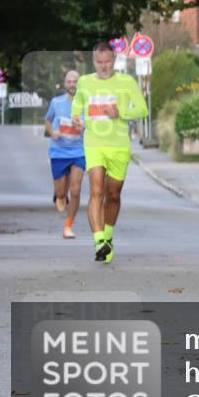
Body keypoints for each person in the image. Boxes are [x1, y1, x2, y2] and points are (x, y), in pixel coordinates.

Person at [71, 42, 149, 263]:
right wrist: (76, 117)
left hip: (119, 145)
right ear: (93, 61)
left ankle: (107, 237)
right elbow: (77, 104)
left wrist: (120, 112)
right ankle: (99, 242)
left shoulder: (127, 82)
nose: (104, 66)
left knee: (113, 194)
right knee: (96, 190)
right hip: (94, 143)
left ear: (114, 60)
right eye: (99, 62)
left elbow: (143, 109)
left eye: (107, 62)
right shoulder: (85, 82)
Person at [44, 70, 85, 239]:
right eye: (69, 81)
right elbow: (48, 122)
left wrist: (85, 127)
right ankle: (60, 195)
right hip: (59, 151)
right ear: (65, 84)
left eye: (75, 81)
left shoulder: (86, 104)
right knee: (61, 193)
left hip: (79, 151)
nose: (72, 84)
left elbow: (94, 125)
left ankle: (68, 226)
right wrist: (53, 132)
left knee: (76, 189)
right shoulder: (56, 102)